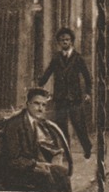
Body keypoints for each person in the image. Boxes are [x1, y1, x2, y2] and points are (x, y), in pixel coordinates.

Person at [0, 87, 73, 192]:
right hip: (13, 174)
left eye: (43, 105)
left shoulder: (35, 122)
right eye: (36, 103)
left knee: (62, 172)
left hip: (28, 168)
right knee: (48, 178)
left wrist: (53, 155)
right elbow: (13, 160)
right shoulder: (14, 124)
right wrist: (36, 165)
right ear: (27, 104)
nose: (40, 108)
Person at [38, 26, 93, 159]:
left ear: (72, 42)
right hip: (60, 97)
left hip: (75, 98)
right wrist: (39, 84)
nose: (65, 42)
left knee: (79, 125)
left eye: (67, 40)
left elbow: (87, 76)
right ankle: (66, 153)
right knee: (61, 126)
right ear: (59, 42)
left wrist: (88, 92)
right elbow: (48, 72)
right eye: (62, 40)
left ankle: (87, 147)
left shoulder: (78, 58)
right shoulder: (56, 58)